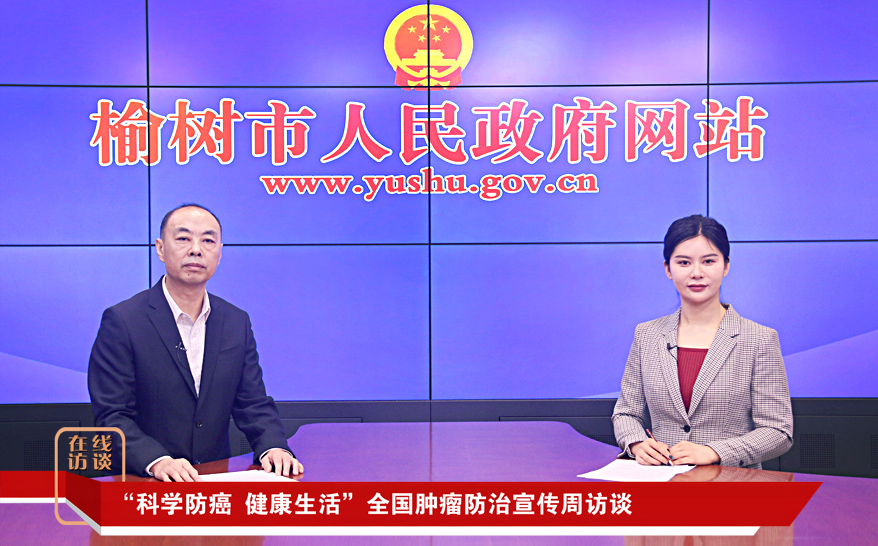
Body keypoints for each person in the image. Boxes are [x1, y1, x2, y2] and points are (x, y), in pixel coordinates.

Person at [88, 204, 303, 481]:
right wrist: (158, 461)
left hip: (211, 481)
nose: (196, 250)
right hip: (142, 483)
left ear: (219, 253)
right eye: (183, 238)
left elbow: (253, 403)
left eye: (208, 241)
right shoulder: (124, 321)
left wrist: (273, 447)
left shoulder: (235, 321)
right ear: (160, 249)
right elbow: (112, 416)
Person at [612, 215, 793, 469]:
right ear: (668, 269)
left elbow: (778, 431)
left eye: (708, 261)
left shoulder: (759, 339)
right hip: (661, 482)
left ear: (726, 266)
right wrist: (637, 443)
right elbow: (626, 413)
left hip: (729, 483)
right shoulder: (647, 335)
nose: (696, 273)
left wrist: (714, 452)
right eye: (684, 262)